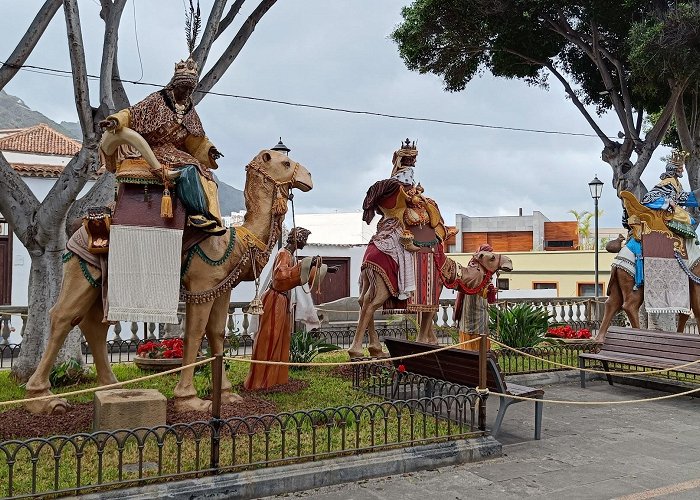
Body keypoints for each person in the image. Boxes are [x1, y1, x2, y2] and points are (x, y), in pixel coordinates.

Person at [99, 55, 226, 235]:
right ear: (175, 84)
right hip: (152, 150)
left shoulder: (189, 109)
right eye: (184, 88)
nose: (186, 93)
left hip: (175, 152)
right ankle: (197, 214)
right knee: (189, 170)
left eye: (189, 89)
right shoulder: (157, 99)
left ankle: (210, 216)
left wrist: (210, 150)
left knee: (207, 174)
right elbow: (131, 113)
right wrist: (115, 121)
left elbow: (197, 138)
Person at [362, 139, 452, 314]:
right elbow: (398, 204)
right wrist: (414, 198)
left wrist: (419, 198)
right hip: (399, 226)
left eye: (413, 160)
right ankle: (404, 285)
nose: (413, 163)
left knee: (429, 210)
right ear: (401, 161)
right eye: (410, 160)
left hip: (405, 223)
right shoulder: (394, 187)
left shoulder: (405, 185)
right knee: (406, 242)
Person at [244, 227, 336, 390]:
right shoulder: (283, 254)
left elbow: (301, 270)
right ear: (297, 239)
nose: (305, 243)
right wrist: (307, 264)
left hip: (283, 301)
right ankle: (261, 380)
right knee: (270, 338)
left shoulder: (290, 256)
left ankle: (275, 378)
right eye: (304, 240)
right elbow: (281, 277)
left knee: (280, 339)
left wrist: (324, 268)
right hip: (274, 300)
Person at [453, 244, 498, 351]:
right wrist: (486, 290)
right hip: (470, 305)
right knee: (470, 332)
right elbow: (473, 284)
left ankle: (483, 357)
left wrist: (490, 290)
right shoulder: (473, 265)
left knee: (482, 332)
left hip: (482, 307)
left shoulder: (487, 268)